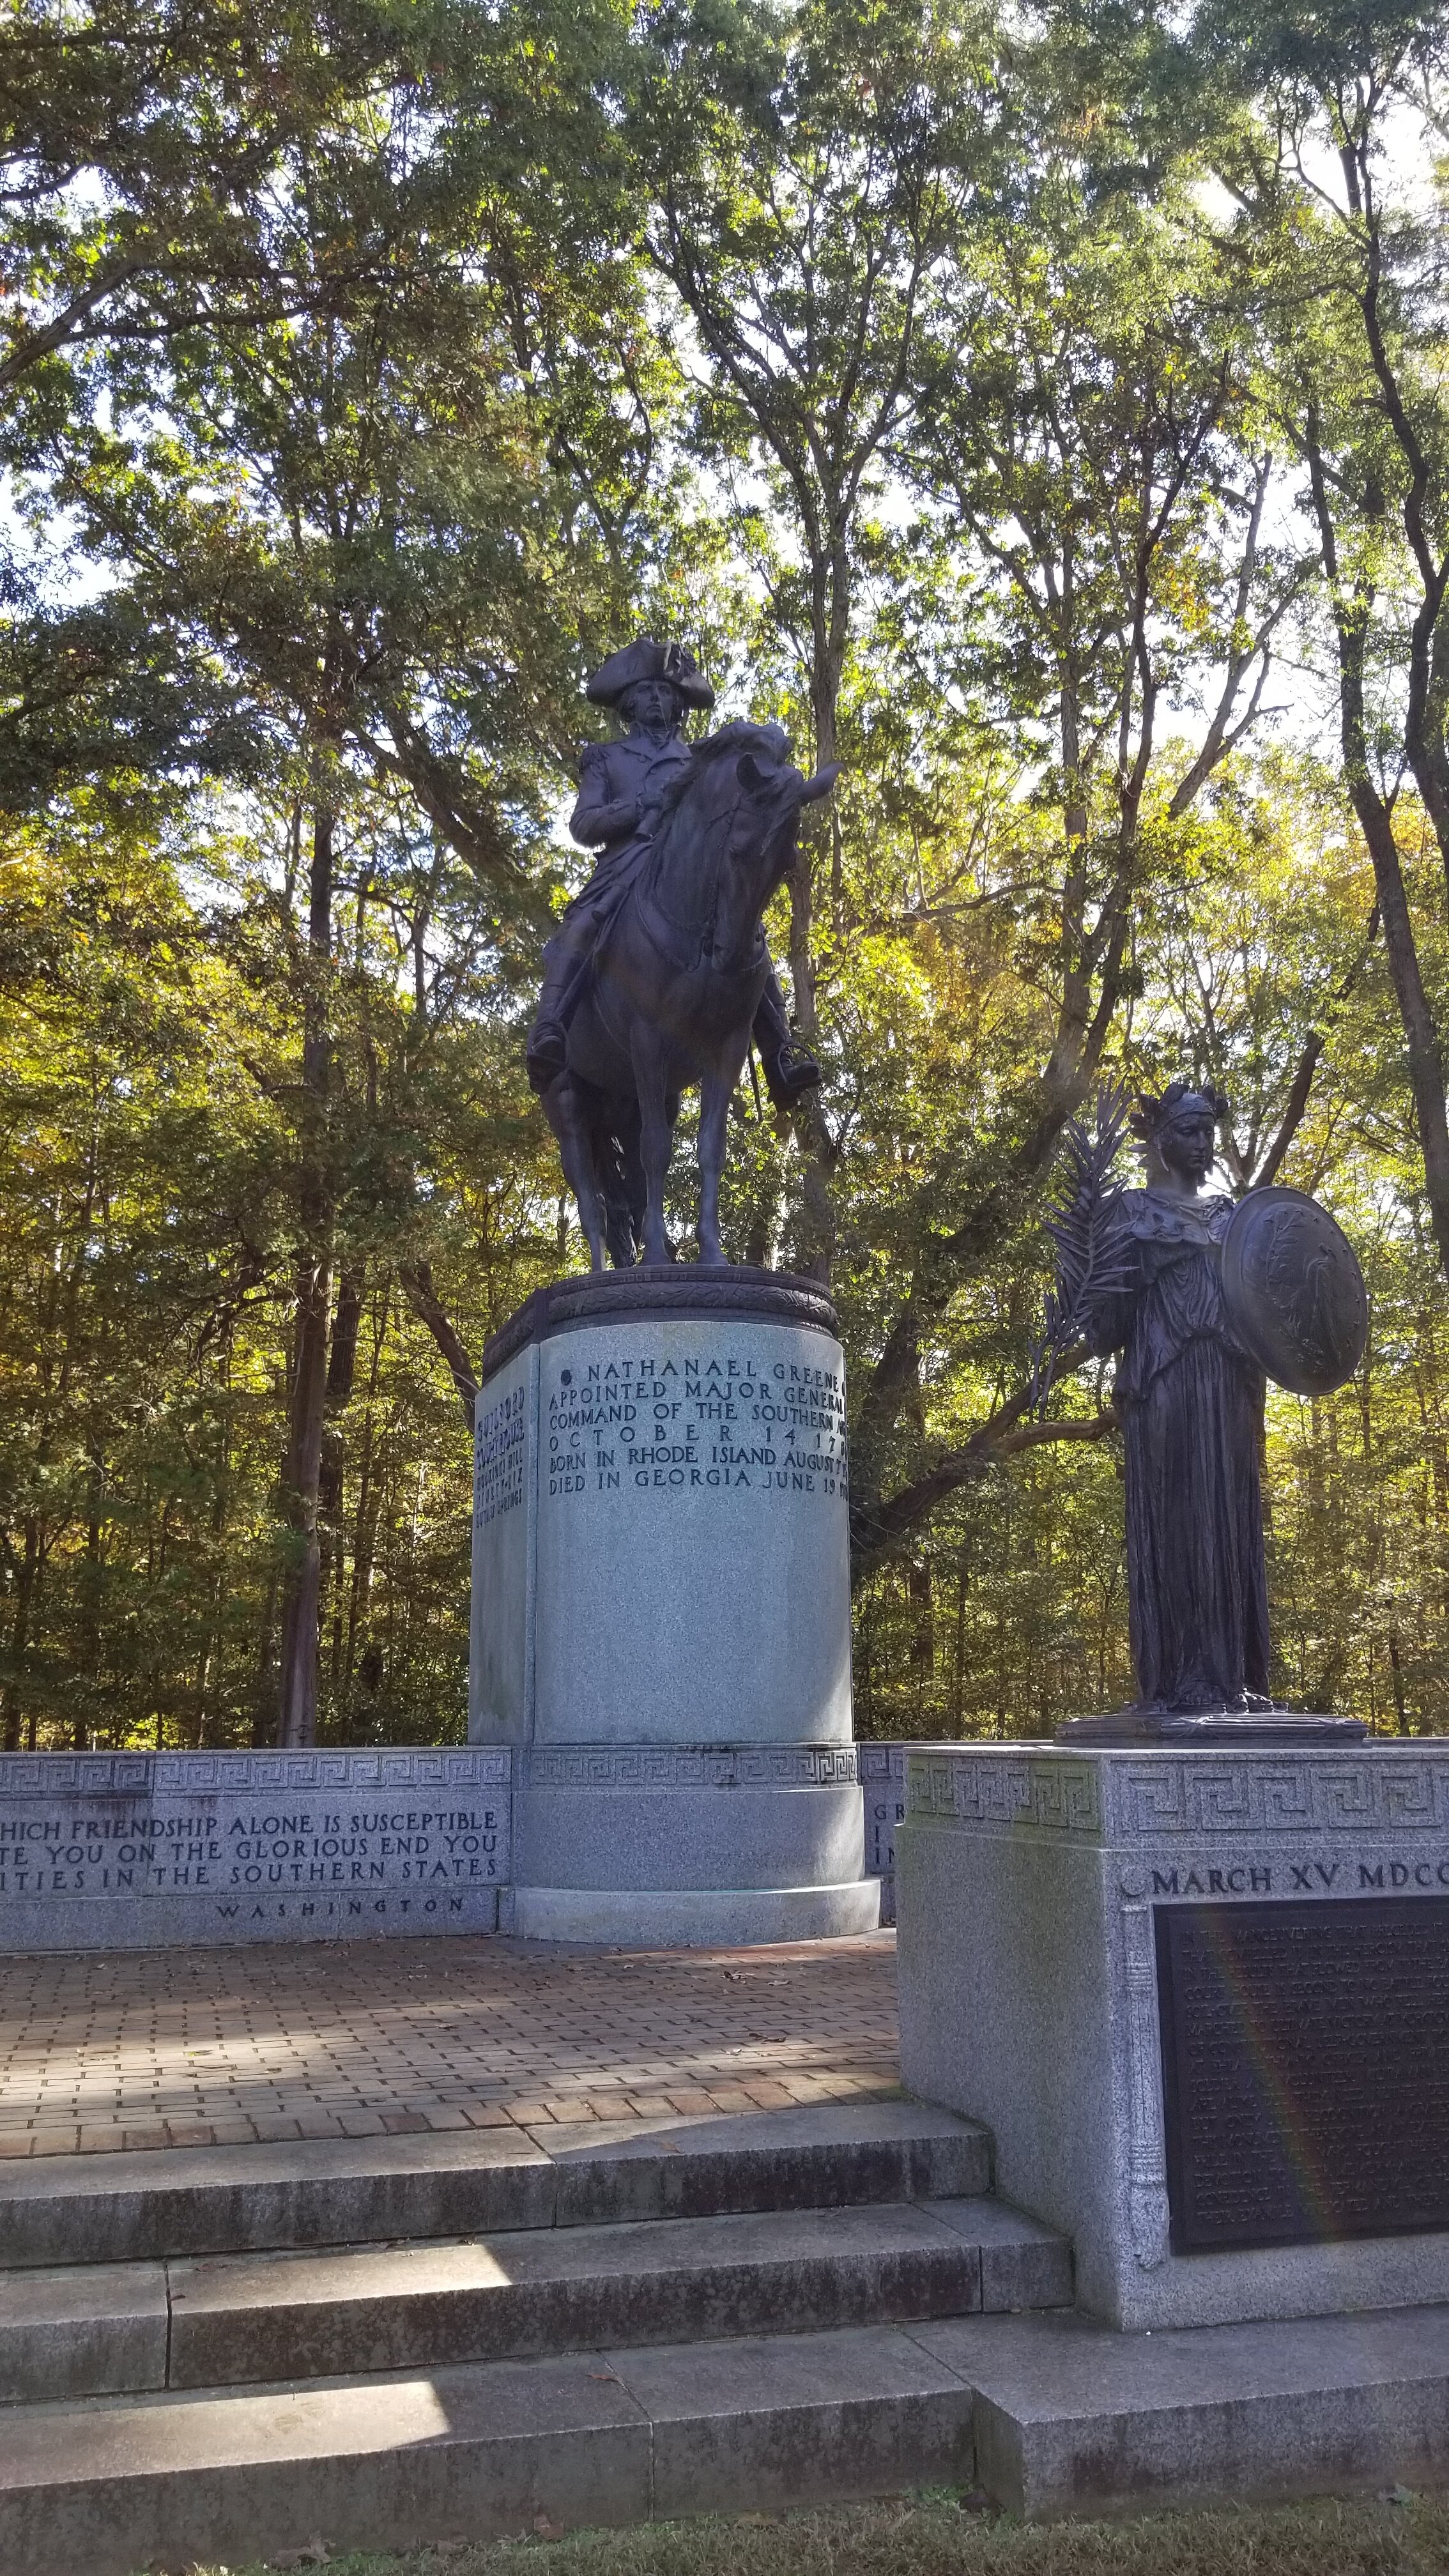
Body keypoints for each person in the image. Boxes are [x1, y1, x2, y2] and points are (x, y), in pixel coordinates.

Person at [525, 636, 822, 1108]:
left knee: (751, 938)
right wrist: (640, 805)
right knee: (581, 926)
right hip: (629, 862)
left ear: (680, 704)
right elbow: (584, 825)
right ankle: (550, 1028)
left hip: (694, 875)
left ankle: (780, 1052)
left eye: (668, 693)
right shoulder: (606, 758)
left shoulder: (698, 759)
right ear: (629, 703)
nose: (659, 701)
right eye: (648, 692)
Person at [1082, 1082, 1273, 1713]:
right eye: (1190, 1132)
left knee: (1229, 1520)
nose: (1203, 1145)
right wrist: (1096, 1265)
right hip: (1163, 1381)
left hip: (1226, 1382)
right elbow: (1105, 1326)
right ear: (1161, 1139)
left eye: (1208, 1133)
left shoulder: (1232, 1216)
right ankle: (1173, 1684)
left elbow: (1265, 1312)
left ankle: (1235, 1681)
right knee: (1177, 1521)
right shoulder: (1128, 1213)